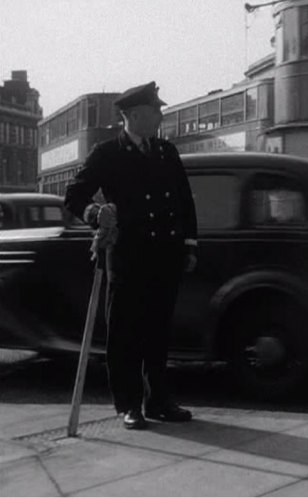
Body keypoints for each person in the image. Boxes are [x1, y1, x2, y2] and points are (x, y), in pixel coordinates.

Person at [65, 81, 198, 430]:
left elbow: (185, 202)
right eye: (156, 111)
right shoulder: (107, 154)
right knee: (125, 336)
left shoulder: (166, 152)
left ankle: (158, 400)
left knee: (157, 334)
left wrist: (189, 245)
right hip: (129, 259)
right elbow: (75, 195)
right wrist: (96, 215)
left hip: (164, 257)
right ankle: (129, 404)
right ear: (135, 115)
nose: (160, 116)